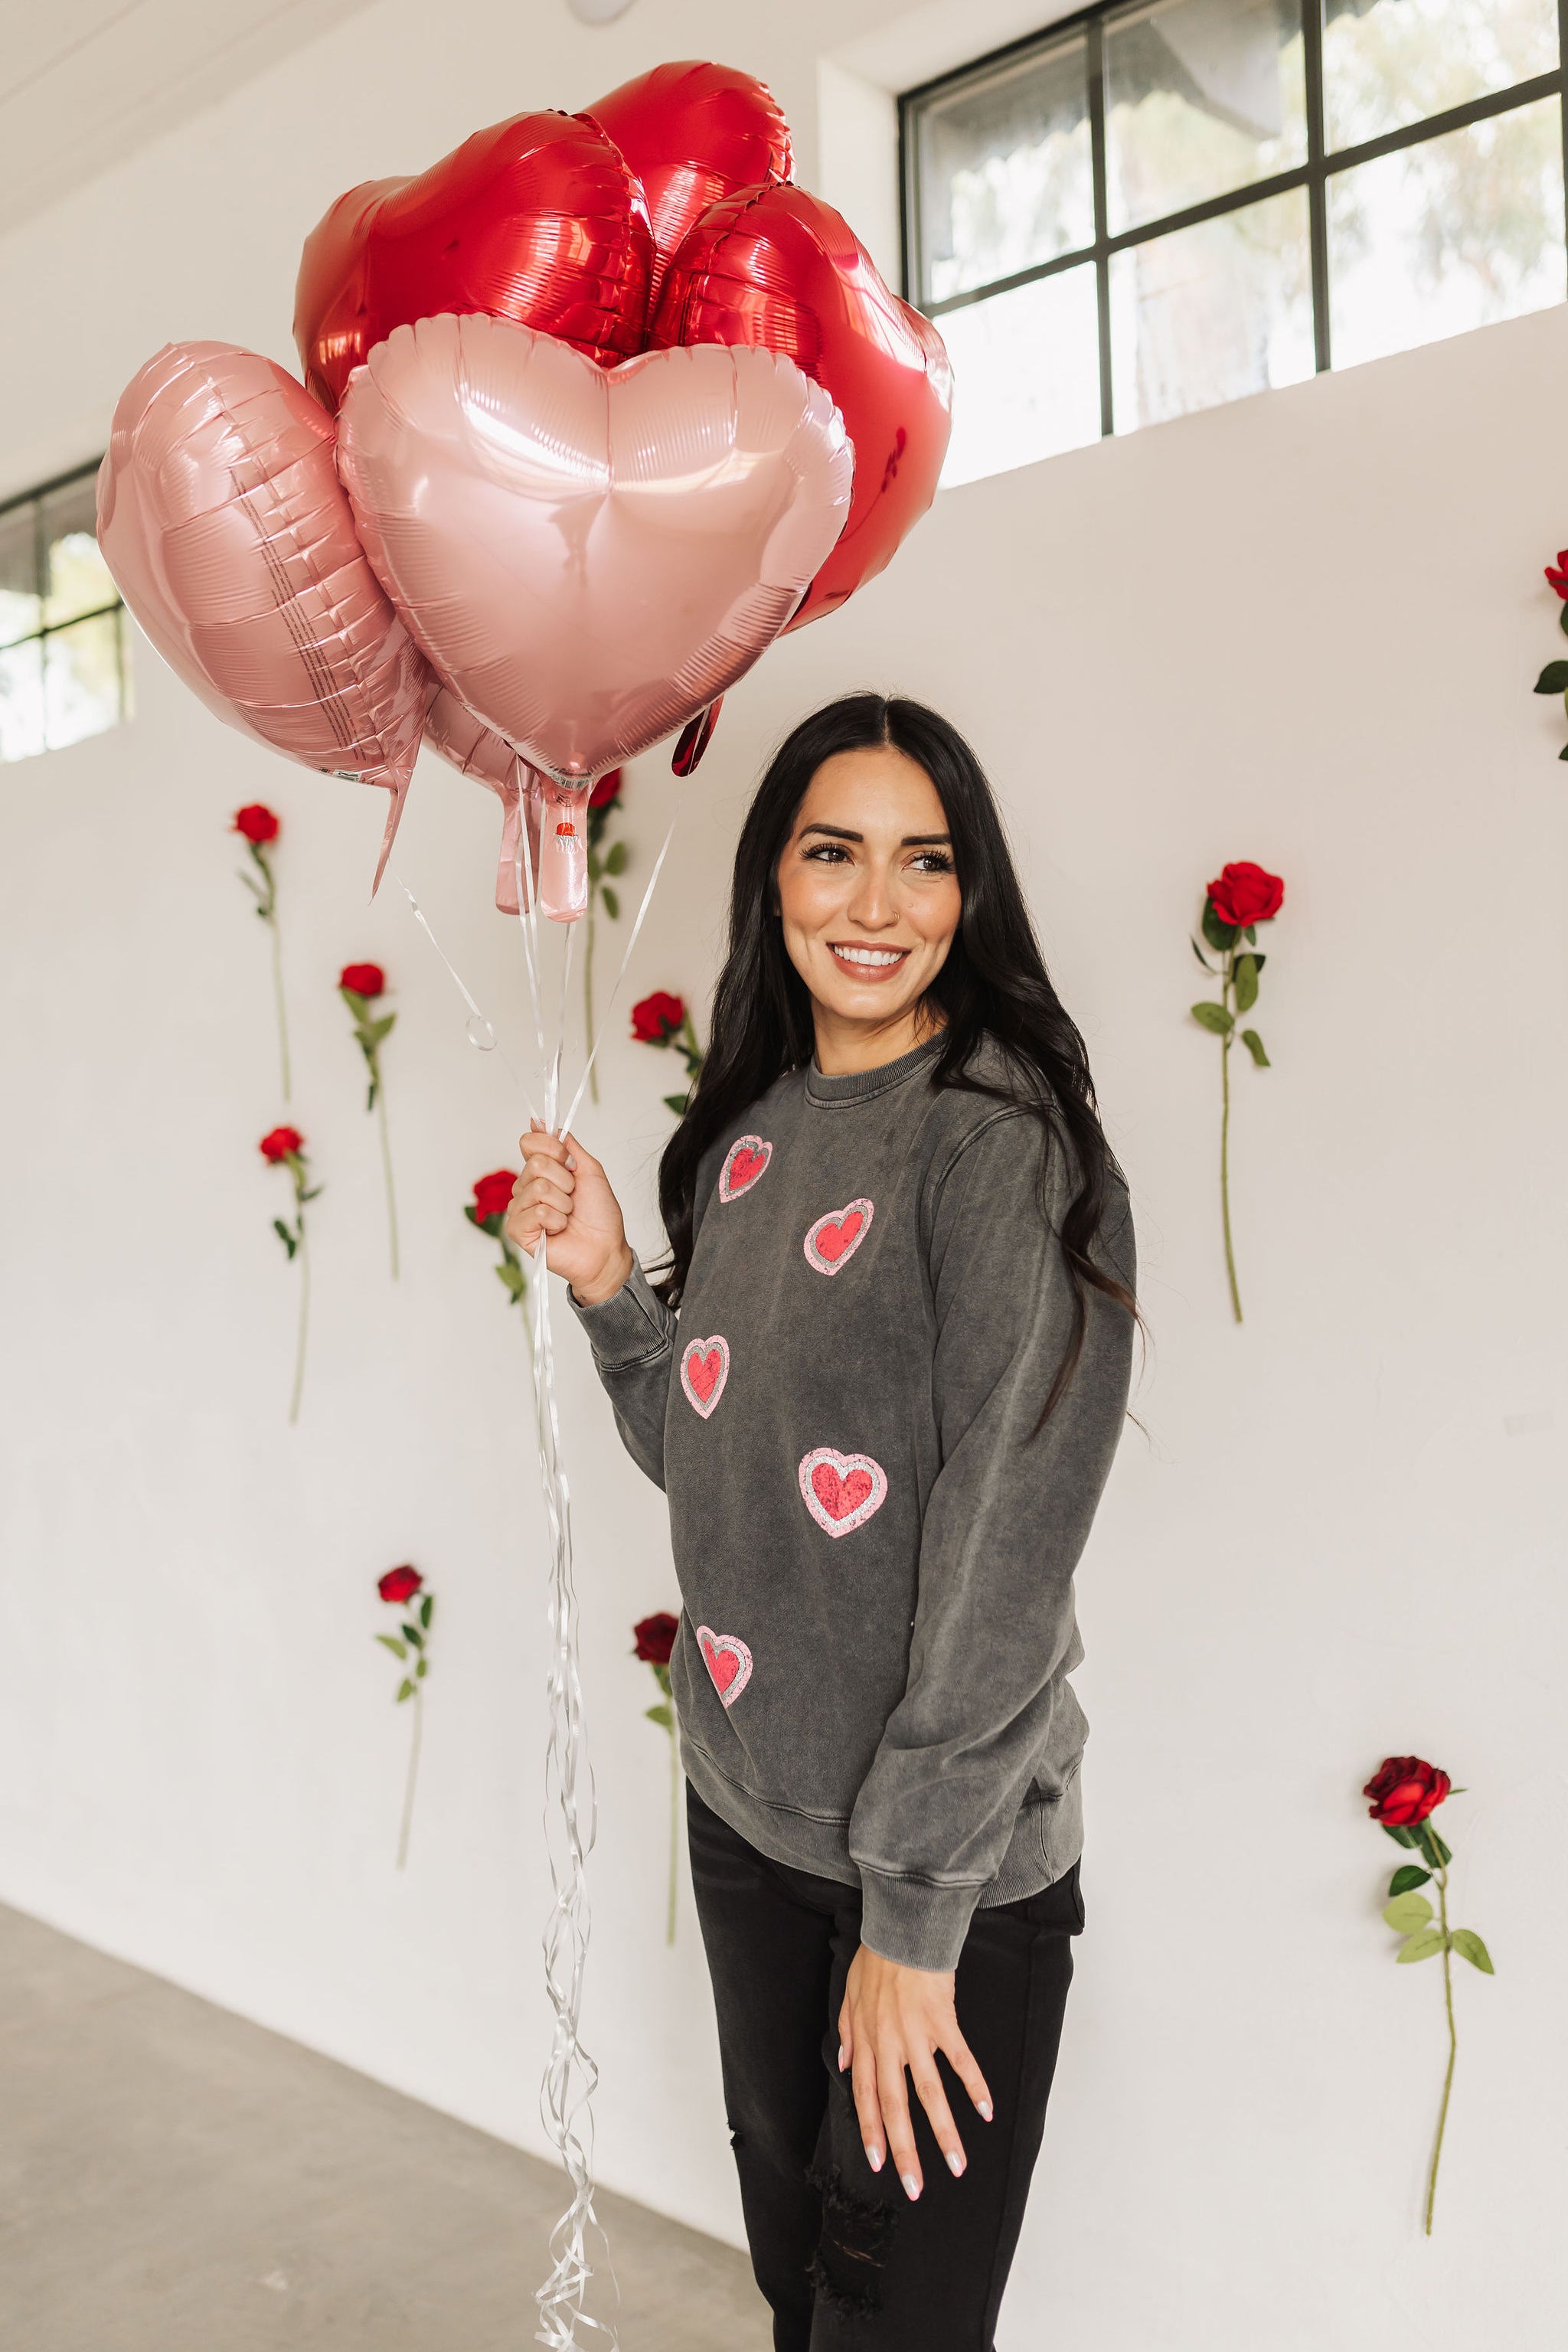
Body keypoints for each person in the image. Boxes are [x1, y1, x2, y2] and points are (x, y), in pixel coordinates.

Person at [507, 694, 1137, 2351]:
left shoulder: (1000, 1148)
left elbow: (1007, 1556)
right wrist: (606, 1298)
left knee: (892, 2334)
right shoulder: (751, 1141)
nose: (876, 906)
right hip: (749, 1830)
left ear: (971, 891)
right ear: (770, 881)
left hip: (940, 1877)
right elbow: (725, 1475)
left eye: (924, 863)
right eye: (832, 854)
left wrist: (911, 1921)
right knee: (803, 2308)